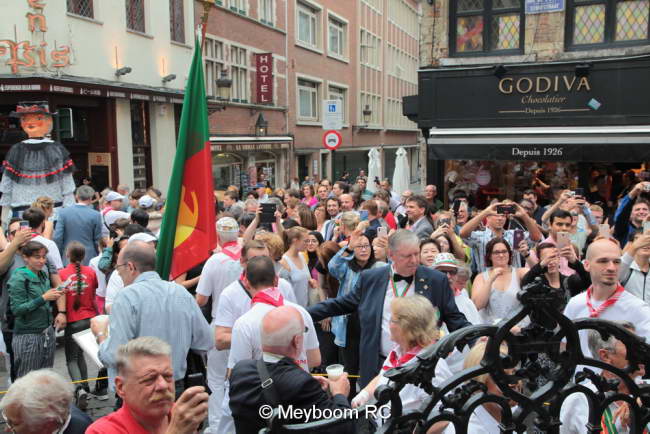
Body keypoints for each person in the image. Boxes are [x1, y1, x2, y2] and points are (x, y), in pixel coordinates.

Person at [308, 230, 471, 387]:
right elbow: (341, 304)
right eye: (407, 256)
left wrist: (477, 341)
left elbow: (455, 319)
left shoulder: (436, 280)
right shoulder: (371, 278)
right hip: (377, 366)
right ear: (391, 255)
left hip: (421, 367)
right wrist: (304, 314)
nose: (414, 260)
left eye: (416, 254)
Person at [91, 241, 213, 398]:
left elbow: (114, 355)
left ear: (130, 267)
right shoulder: (180, 292)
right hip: (176, 387)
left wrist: (100, 335)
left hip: (141, 390)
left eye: (119, 271)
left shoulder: (127, 296)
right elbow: (205, 341)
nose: (120, 277)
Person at [229, 303, 351, 434]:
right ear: (296, 341)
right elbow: (343, 428)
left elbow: (274, 384)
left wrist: (305, 381)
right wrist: (340, 394)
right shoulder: (302, 384)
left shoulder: (240, 371)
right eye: (304, 331)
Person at [86, 337, 209, 434]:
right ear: (121, 387)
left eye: (167, 376)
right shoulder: (102, 431)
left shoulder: (182, 416)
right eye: (150, 379)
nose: (163, 385)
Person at [563, 238, 650, 360]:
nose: (611, 267)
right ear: (586, 265)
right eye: (603, 261)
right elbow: (564, 345)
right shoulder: (575, 303)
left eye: (616, 262)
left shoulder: (638, 309)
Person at [560, 321, 646, 434]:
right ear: (605, 356)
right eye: (632, 347)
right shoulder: (580, 399)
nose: (642, 353)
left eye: (640, 346)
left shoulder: (646, 392)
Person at [328, 224, 385, 394]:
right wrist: (348, 247)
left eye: (366, 245)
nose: (364, 249)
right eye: (359, 246)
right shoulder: (346, 268)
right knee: (350, 369)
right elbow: (332, 266)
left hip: (372, 323)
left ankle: (369, 402)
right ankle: (348, 400)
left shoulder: (379, 267)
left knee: (370, 369)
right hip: (349, 324)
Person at [8, 240, 63, 378]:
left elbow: (46, 300)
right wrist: (43, 298)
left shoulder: (43, 274)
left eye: (44, 257)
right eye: (37, 257)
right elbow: (17, 310)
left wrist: (57, 293)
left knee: (45, 378)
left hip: (47, 332)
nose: (42, 261)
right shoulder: (18, 277)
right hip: (28, 336)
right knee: (28, 380)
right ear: (25, 257)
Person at [58, 241, 99, 409]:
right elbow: (94, 292)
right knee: (80, 354)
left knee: (72, 358)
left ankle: (79, 389)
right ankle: (85, 387)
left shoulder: (61, 273)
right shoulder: (91, 272)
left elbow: (59, 294)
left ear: (67, 254)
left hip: (73, 321)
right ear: (83, 256)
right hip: (89, 319)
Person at [0, 369, 92, 434]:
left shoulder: (82, 430)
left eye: (14, 424)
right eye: (7, 420)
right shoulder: (58, 409)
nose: (7, 430)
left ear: (47, 423)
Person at [460, 201, 541, 273]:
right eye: (496, 215)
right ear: (487, 217)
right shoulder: (480, 236)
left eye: (503, 215)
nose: (500, 218)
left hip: (513, 282)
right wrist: (485, 212)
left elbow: (536, 237)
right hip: (488, 282)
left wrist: (524, 215)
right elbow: (462, 233)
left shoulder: (514, 235)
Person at [471, 237, 529, 324]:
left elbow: (540, 274)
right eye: (496, 252)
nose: (501, 255)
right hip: (493, 328)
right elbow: (477, 306)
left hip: (519, 327)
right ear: (489, 256)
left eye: (504, 251)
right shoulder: (480, 277)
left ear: (509, 254)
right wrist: (490, 280)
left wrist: (527, 255)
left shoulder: (520, 273)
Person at [54, 185, 103, 265]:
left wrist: (60, 254)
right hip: (89, 257)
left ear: (76, 196)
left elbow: (57, 237)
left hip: (68, 255)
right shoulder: (95, 215)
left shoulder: (63, 213)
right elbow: (98, 239)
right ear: (91, 198)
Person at [280, 226, 311, 308]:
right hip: (292, 310)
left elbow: (305, 278)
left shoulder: (302, 256)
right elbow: (284, 293)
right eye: (306, 241)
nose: (308, 244)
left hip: (305, 308)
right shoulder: (284, 261)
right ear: (295, 241)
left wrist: (310, 281)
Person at [613, 181, 650, 247]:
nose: (641, 212)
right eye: (637, 209)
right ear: (630, 214)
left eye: (645, 209)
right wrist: (633, 193)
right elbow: (622, 214)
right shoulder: (623, 227)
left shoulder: (648, 227)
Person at [619, 231, 650, 303]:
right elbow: (615, 273)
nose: (644, 244)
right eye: (638, 240)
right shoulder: (626, 268)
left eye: (648, 240)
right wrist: (634, 248)